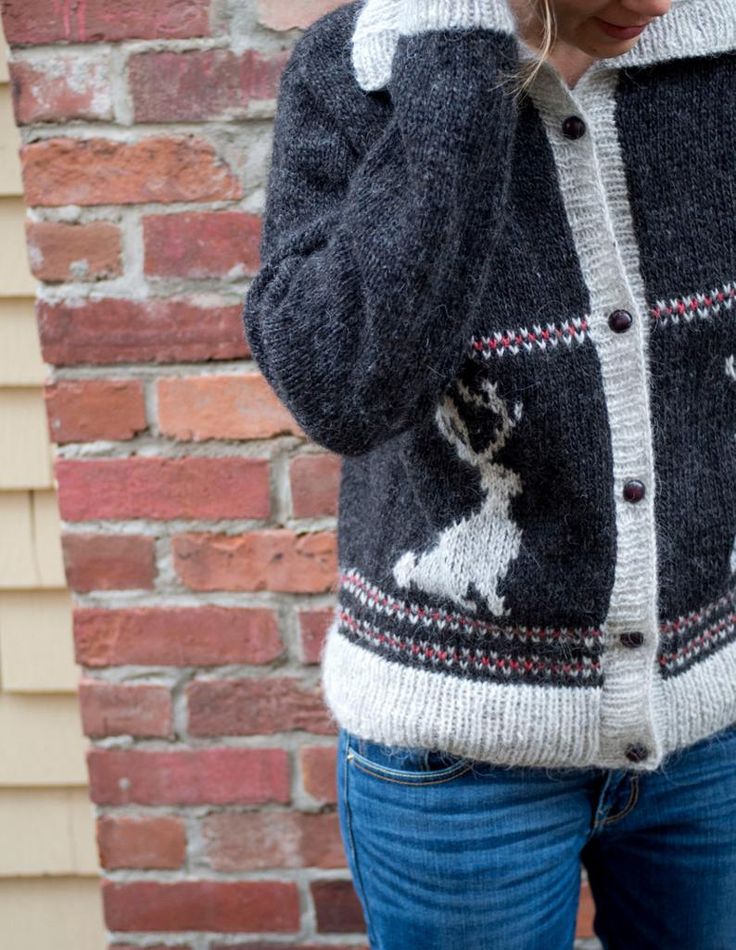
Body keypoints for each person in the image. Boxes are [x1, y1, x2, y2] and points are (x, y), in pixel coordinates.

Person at [242, 0, 736, 945]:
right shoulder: (365, 72)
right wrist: (460, 54)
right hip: (456, 761)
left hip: (714, 727)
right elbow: (343, 387)